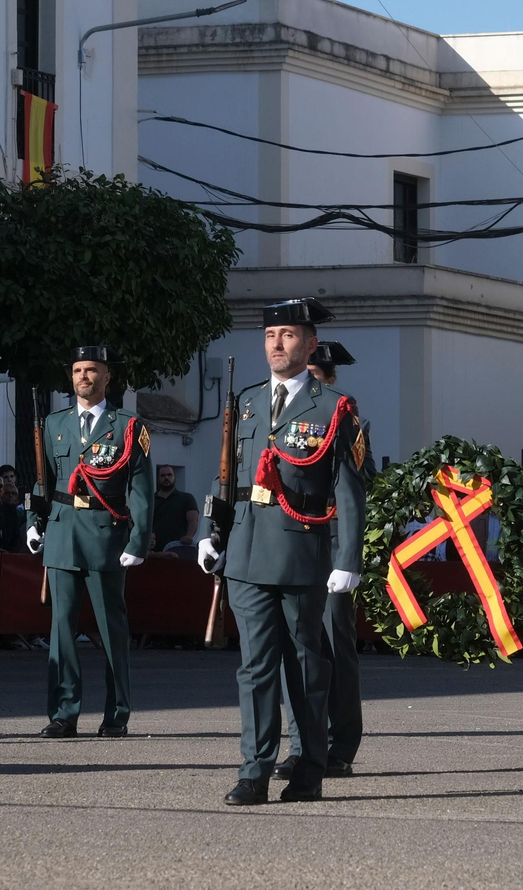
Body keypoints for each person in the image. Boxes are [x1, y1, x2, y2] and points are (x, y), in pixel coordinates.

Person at [199, 299, 368, 806]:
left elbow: (348, 488)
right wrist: (212, 528)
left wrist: (348, 560)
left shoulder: (334, 407)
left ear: (310, 344)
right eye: (271, 334)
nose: (277, 343)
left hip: (301, 549)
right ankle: (254, 769)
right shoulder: (247, 401)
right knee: (254, 667)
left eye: (289, 335)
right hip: (248, 549)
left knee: (305, 666)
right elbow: (227, 471)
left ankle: (310, 768)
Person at [29, 346, 152, 738]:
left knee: (111, 629)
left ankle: (116, 714)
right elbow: (42, 478)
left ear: (107, 377)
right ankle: (63, 713)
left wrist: (139, 539)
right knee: (62, 630)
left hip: (106, 534)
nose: (83, 376)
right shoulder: (54, 424)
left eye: (92, 370)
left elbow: (141, 490)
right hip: (63, 532)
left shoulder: (128, 426)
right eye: (78, 370)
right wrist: (33, 520)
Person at [280, 338, 377, 779]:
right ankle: (302, 744)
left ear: (330, 379)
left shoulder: (344, 417)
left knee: (335, 645)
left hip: (332, 538)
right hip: (292, 539)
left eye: (317, 379)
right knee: (298, 647)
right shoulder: (277, 413)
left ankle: (341, 743)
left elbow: (361, 481)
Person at [149, 465, 201, 560]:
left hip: (179, 550)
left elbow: (193, 520)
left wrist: (189, 536)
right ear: (158, 478)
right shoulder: (150, 500)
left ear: (174, 477)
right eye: (163, 475)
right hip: (155, 553)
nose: (166, 478)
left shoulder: (187, 498)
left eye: (169, 475)